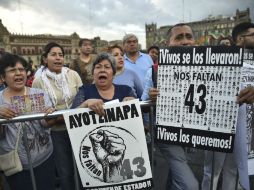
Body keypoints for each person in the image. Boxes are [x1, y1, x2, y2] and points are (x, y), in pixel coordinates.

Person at [142, 23, 199, 190]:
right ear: (167, 44)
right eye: (179, 37)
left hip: (193, 134)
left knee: (177, 174)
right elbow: (143, 103)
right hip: (168, 134)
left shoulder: (211, 66)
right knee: (190, 184)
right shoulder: (153, 70)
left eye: (189, 36)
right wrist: (151, 98)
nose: (185, 41)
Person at [202, 22, 254, 190]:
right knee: (212, 171)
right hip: (219, 123)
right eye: (253, 35)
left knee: (234, 169)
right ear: (240, 38)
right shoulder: (218, 59)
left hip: (244, 127)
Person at [0, 53, 55, 190]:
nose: (18, 73)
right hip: (16, 165)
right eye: (12, 70)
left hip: (45, 159)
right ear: (2, 77)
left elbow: (46, 124)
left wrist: (50, 116)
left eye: (22, 69)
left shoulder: (39, 94)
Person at [32, 42, 82, 190]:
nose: (58, 58)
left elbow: (81, 98)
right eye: (53, 54)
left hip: (78, 127)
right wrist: (58, 119)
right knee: (65, 171)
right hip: (56, 132)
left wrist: (64, 115)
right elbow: (39, 113)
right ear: (44, 59)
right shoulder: (38, 81)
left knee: (83, 167)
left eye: (60, 55)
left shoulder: (73, 75)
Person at [71, 52, 136, 113]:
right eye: (98, 67)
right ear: (93, 73)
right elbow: (70, 116)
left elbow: (141, 113)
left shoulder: (127, 91)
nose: (102, 70)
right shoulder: (84, 91)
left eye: (107, 67)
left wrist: (134, 102)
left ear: (113, 74)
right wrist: (85, 104)